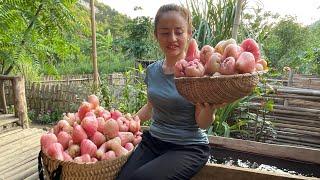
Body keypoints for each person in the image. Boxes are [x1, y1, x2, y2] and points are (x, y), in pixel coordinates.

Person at [117, 4, 218, 180]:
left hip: (187, 147)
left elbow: (202, 123)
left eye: (179, 32)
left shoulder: (198, 74)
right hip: (154, 142)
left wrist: (210, 109)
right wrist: (126, 123)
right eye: (165, 32)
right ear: (156, 35)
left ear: (189, 34)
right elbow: (150, 107)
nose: (172, 38)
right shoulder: (152, 71)